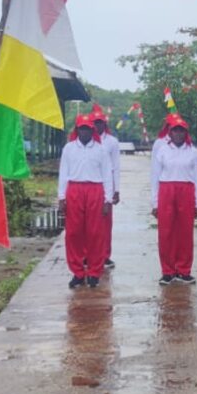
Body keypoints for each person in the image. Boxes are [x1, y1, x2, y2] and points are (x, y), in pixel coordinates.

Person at [58, 113, 113, 289]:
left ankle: (95, 272)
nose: (84, 132)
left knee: (95, 233)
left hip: (95, 190)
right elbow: (63, 174)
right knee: (74, 233)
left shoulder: (101, 149)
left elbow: (107, 175)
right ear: (77, 130)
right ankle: (78, 272)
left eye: (88, 129)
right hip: (74, 190)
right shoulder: (69, 148)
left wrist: (108, 199)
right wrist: (61, 197)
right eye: (81, 128)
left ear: (92, 130)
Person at [150, 113, 197, 285]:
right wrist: (155, 202)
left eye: (181, 131)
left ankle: (184, 270)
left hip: (186, 190)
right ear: (170, 132)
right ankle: (168, 270)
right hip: (166, 190)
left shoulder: (193, 152)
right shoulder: (162, 150)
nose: (178, 134)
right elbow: (154, 177)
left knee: (185, 232)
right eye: (175, 131)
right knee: (166, 232)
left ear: (185, 133)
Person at [91, 104, 121, 270]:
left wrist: (116, 190)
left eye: (100, 122)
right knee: (88, 222)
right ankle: (89, 254)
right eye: (95, 122)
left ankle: (105, 255)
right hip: (90, 183)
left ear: (105, 124)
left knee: (105, 222)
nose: (97, 126)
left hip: (106, 184)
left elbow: (115, 166)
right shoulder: (85, 139)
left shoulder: (111, 142)